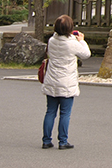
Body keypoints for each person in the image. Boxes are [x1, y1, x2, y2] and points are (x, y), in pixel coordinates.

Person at [41, 15, 90, 150]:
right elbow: (86, 54)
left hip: (52, 80)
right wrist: (81, 40)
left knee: (50, 111)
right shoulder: (72, 43)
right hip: (66, 82)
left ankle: (46, 140)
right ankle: (63, 141)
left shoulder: (51, 41)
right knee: (65, 113)